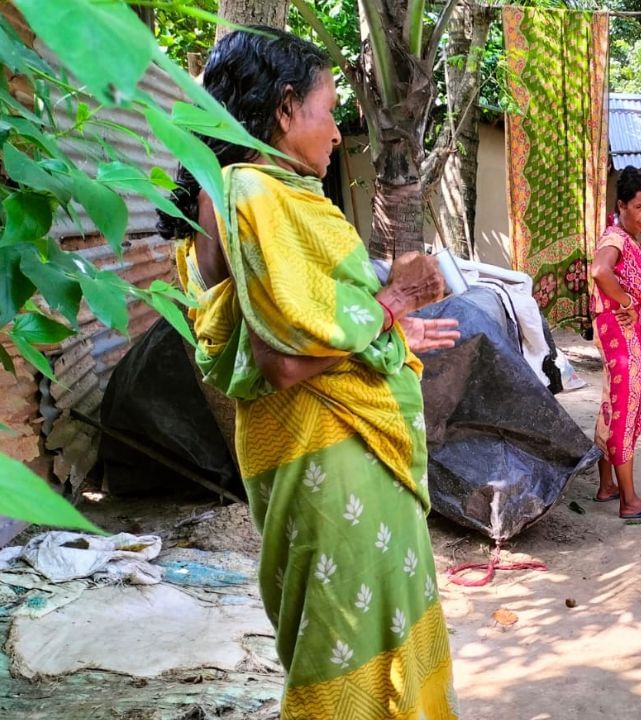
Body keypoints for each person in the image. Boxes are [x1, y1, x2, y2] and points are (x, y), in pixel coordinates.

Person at [159, 28, 462, 718]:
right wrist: (390, 306)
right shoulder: (253, 192)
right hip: (328, 455)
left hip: (324, 447)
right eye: (328, 109)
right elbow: (285, 357)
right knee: (340, 642)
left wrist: (392, 324)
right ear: (285, 107)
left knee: (361, 620)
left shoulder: (233, 193)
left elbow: (299, 326)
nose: (335, 131)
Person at [590, 166, 641, 520]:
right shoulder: (615, 240)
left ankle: (607, 486)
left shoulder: (622, 238)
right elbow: (599, 271)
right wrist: (627, 302)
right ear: (621, 206)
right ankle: (630, 501)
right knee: (624, 410)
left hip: (617, 337)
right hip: (623, 340)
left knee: (613, 404)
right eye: (640, 207)